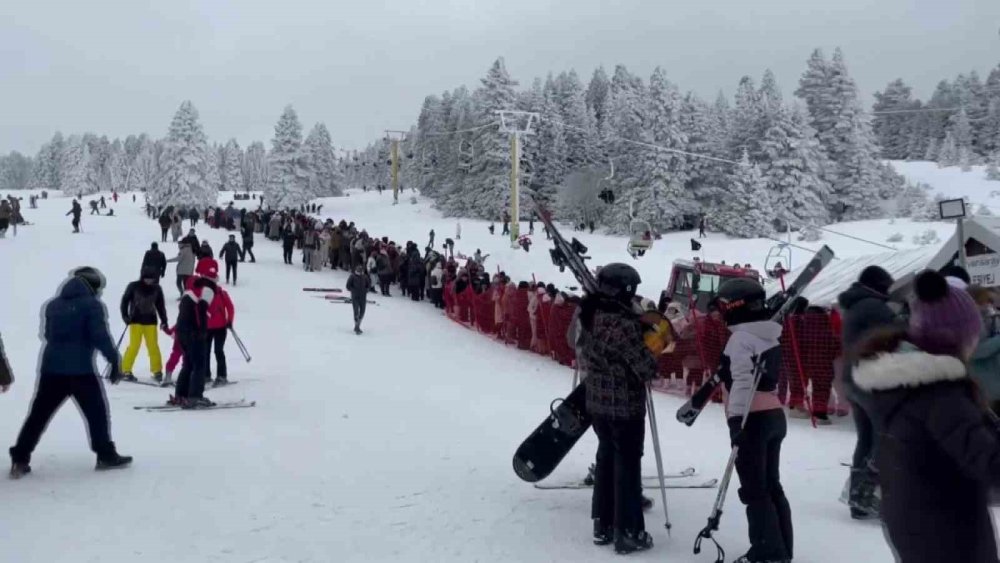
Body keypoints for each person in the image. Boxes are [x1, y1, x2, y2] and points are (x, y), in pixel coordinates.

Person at [853, 270, 1000, 563]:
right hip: (948, 531)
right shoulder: (941, 395)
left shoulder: (905, 381)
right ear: (960, 336)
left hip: (915, 521)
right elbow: (989, 462)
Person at [9, 267, 132, 477]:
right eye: (97, 288)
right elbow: (100, 337)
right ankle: (105, 454)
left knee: (38, 416)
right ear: (91, 285)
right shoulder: (92, 305)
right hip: (80, 371)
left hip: (51, 370)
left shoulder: (53, 305)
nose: (98, 292)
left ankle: (20, 459)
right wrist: (114, 360)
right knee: (97, 413)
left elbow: (46, 334)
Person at [580, 263, 658, 554]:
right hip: (624, 406)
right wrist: (652, 350)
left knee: (606, 458)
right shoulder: (622, 323)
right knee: (627, 464)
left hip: (597, 402)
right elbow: (644, 367)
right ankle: (627, 531)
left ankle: (603, 523)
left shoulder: (589, 313)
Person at [713, 278, 792, 563]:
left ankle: (767, 551)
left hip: (752, 420)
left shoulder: (741, 339)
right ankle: (781, 548)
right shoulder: (768, 333)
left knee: (755, 490)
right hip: (773, 416)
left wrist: (736, 422)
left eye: (724, 307)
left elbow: (743, 382)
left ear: (735, 306)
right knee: (771, 485)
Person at [837, 265, 897, 520]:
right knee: (881, 438)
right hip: (870, 380)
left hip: (853, 379)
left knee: (866, 438)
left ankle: (857, 500)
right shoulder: (874, 307)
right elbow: (900, 336)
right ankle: (864, 496)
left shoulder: (856, 305)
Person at [169, 275, 216, 408]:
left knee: (188, 364)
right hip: (194, 332)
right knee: (199, 365)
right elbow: (202, 307)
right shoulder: (208, 290)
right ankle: (195, 396)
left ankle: (181, 395)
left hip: (182, 331)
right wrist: (202, 330)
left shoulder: (189, 292)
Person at [119, 267, 169, 383]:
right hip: (135, 320)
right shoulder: (133, 286)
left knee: (153, 346)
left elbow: (160, 306)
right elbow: (124, 301)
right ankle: (126, 370)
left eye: (151, 279)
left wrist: (164, 320)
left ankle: (157, 371)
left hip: (151, 321)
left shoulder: (156, 288)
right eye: (146, 279)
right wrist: (125, 316)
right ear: (142, 277)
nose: (149, 281)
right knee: (134, 346)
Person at [198, 260, 234, 386]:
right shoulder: (202, 293)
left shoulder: (221, 293)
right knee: (205, 351)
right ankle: (205, 375)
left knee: (218, 351)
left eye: (213, 279)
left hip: (220, 327)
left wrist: (229, 320)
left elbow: (230, 307)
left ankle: (221, 376)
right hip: (206, 327)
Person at [968, 285, 1000, 414]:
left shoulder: (990, 318)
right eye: (986, 301)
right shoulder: (967, 323)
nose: (989, 305)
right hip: (986, 390)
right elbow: (976, 351)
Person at [346, 265, 371, 334]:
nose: (360, 272)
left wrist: (367, 290)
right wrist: (353, 290)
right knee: (356, 311)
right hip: (355, 297)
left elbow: (368, 285)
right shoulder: (352, 276)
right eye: (359, 271)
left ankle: (358, 325)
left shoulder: (365, 277)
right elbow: (348, 286)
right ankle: (357, 327)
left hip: (363, 297)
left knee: (362, 312)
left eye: (361, 271)